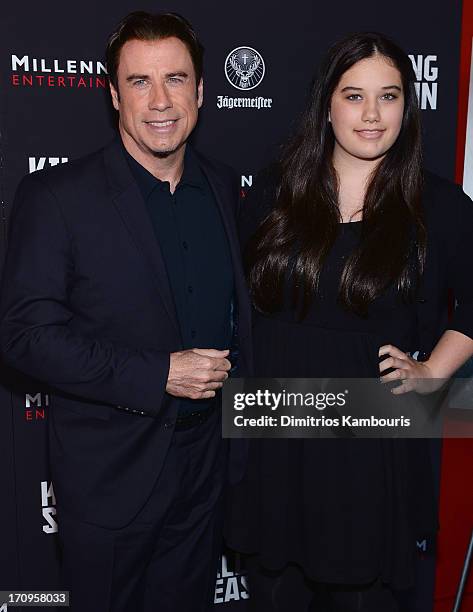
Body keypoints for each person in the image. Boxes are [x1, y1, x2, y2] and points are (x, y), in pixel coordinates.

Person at [0, 11, 252, 612]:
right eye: (139, 81)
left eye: (176, 79)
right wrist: (158, 372)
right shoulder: (58, 197)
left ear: (201, 90)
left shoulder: (221, 187)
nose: (160, 100)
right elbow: (24, 335)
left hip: (204, 473)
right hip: (110, 479)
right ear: (113, 94)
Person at [225, 32, 473, 611]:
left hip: (369, 438)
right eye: (353, 95)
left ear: (407, 107)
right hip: (273, 432)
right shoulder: (275, 190)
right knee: (273, 594)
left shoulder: (439, 206)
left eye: (388, 96)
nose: (371, 114)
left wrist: (435, 369)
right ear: (326, 104)